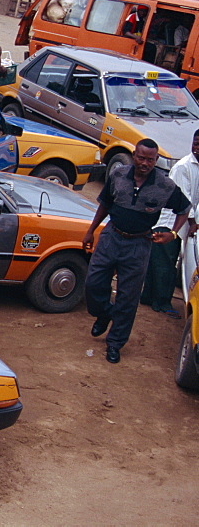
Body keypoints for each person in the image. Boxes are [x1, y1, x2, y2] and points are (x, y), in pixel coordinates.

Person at [83, 139, 190, 364]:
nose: (145, 163)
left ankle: (115, 343)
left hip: (139, 244)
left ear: (156, 160)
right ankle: (104, 313)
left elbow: (184, 209)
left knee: (128, 296)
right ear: (134, 155)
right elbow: (104, 204)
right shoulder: (119, 175)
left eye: (150, 159)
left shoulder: (165, 185)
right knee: (93, 283)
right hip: (111, 236)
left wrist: (173, 233)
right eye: (141, 158)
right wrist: (91, 230)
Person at [142, 130, 199, 318]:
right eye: (195, 143)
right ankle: (162, 303)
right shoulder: (183, 167)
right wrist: (192, 224)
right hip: (170, 223)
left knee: (158, 262)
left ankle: (149, 298)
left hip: (181, 222)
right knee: (164, 264)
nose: (197, 148)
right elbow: (184, 201)